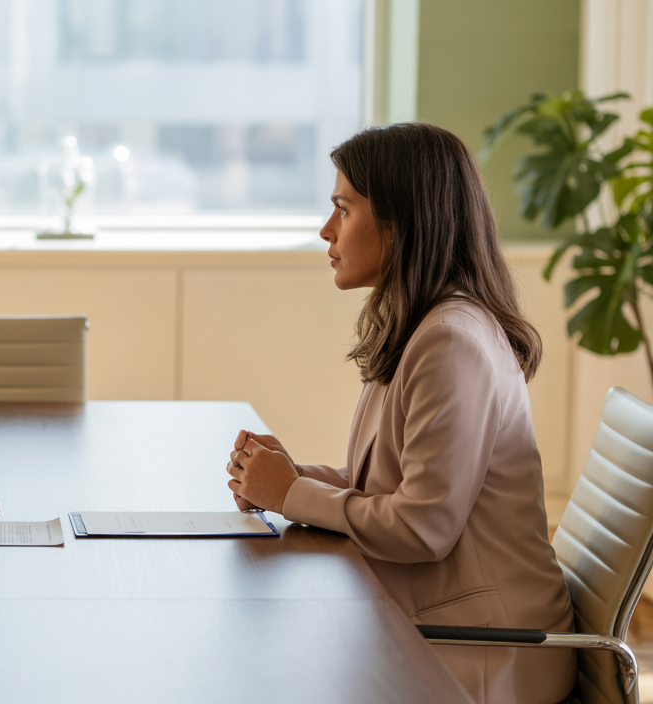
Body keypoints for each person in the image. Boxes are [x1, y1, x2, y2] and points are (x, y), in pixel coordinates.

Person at [224, 123, 576, 704]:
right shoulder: (421, 327)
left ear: (400, 221)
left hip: (489, 646)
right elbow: (385, 487)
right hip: (445, 619)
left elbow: (422, 528)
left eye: (343, 209)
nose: (326, 230)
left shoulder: (451, 342)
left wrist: (290, 495)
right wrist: (292, 477)